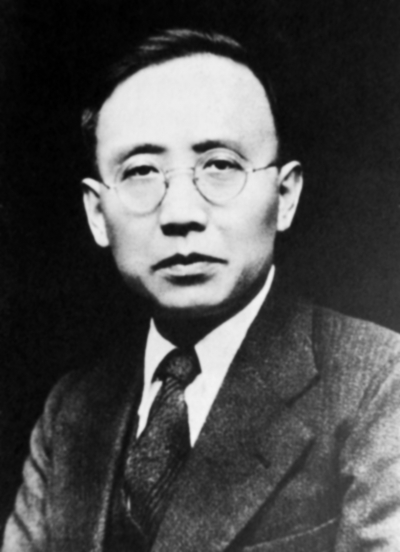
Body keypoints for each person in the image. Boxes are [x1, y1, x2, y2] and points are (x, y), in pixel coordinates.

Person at [3, 28, 400, 552]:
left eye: (220, 165)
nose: (181, 214)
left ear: (284, 196)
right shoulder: (72, 410)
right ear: (97, 214)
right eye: (141, 172)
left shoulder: (378, 382)